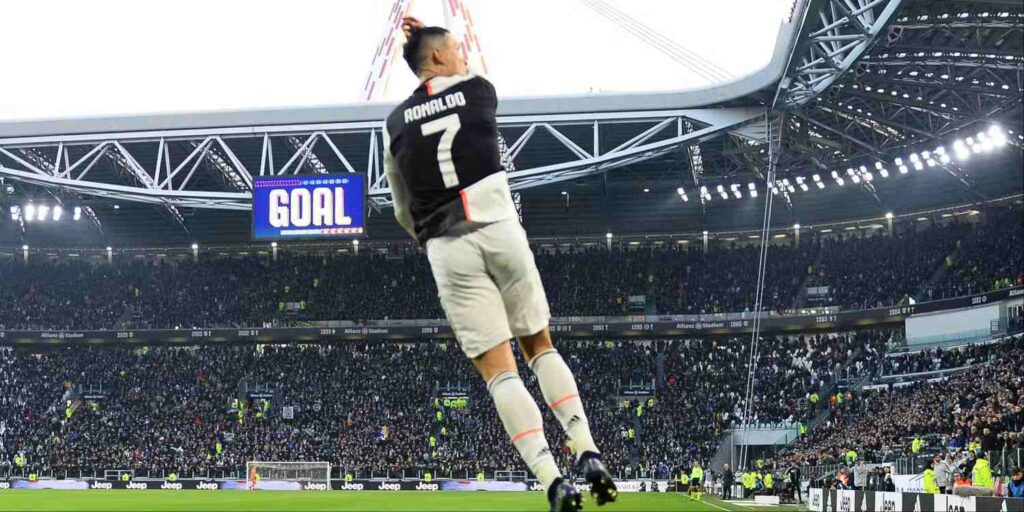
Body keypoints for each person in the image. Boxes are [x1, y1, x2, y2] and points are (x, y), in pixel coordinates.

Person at [383, 17, 617, 512]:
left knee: (499, 374)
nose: (464, 55)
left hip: (447, 246)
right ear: (441, 59)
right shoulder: (479, 90)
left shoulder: (395, 124)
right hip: (498, 225)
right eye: (456, 49)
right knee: (540, 346)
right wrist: (430, 34)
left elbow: (402, 209)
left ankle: (553, 481)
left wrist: (431, 235)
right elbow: (463, 84)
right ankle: (587, 451)